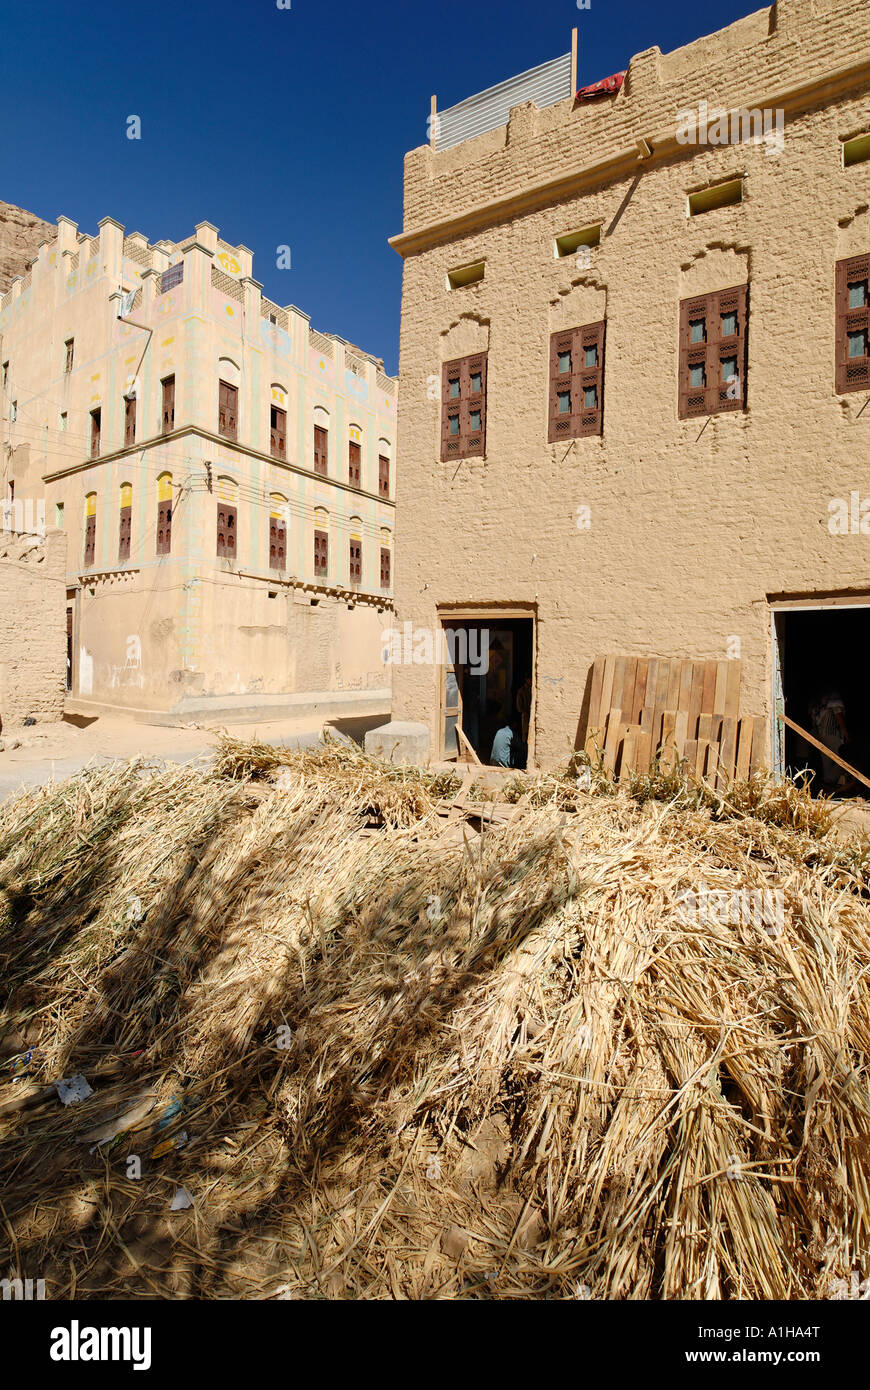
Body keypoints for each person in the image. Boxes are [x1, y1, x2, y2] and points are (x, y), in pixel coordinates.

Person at [809, 688, 853, 792]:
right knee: (840, 760)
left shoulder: (819, 698)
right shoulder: (833, 695)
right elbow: (838, 714)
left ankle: (826, 786)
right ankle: (828, 785)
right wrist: (846, 734)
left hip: (821, 734)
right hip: (831, 734)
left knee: (827, 761)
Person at [516, 675, 532, 744]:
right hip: (526, 715)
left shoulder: (533, 689)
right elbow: (519, 705)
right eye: (529, 679)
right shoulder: (522, 691)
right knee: (525, 732)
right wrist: (523, 711)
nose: (531, 681)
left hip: (532, 714)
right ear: (526, 679)